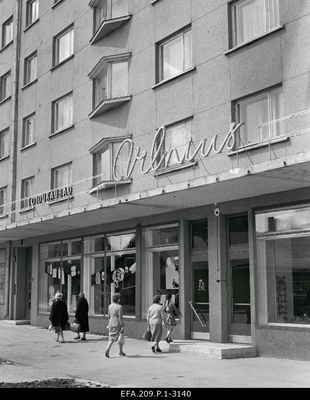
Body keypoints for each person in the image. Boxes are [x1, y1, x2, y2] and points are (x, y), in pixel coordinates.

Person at [105, 293, 125, 358]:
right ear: (118, 299)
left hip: (111, 323)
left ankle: (108, 350)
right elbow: (120, 318)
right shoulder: (120, 307)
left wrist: (109, 323)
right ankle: (120, 351)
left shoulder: (110, 306)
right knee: (120, 337)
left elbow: (109, 316)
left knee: (111, 338)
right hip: (117, 324)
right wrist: (122, 325)